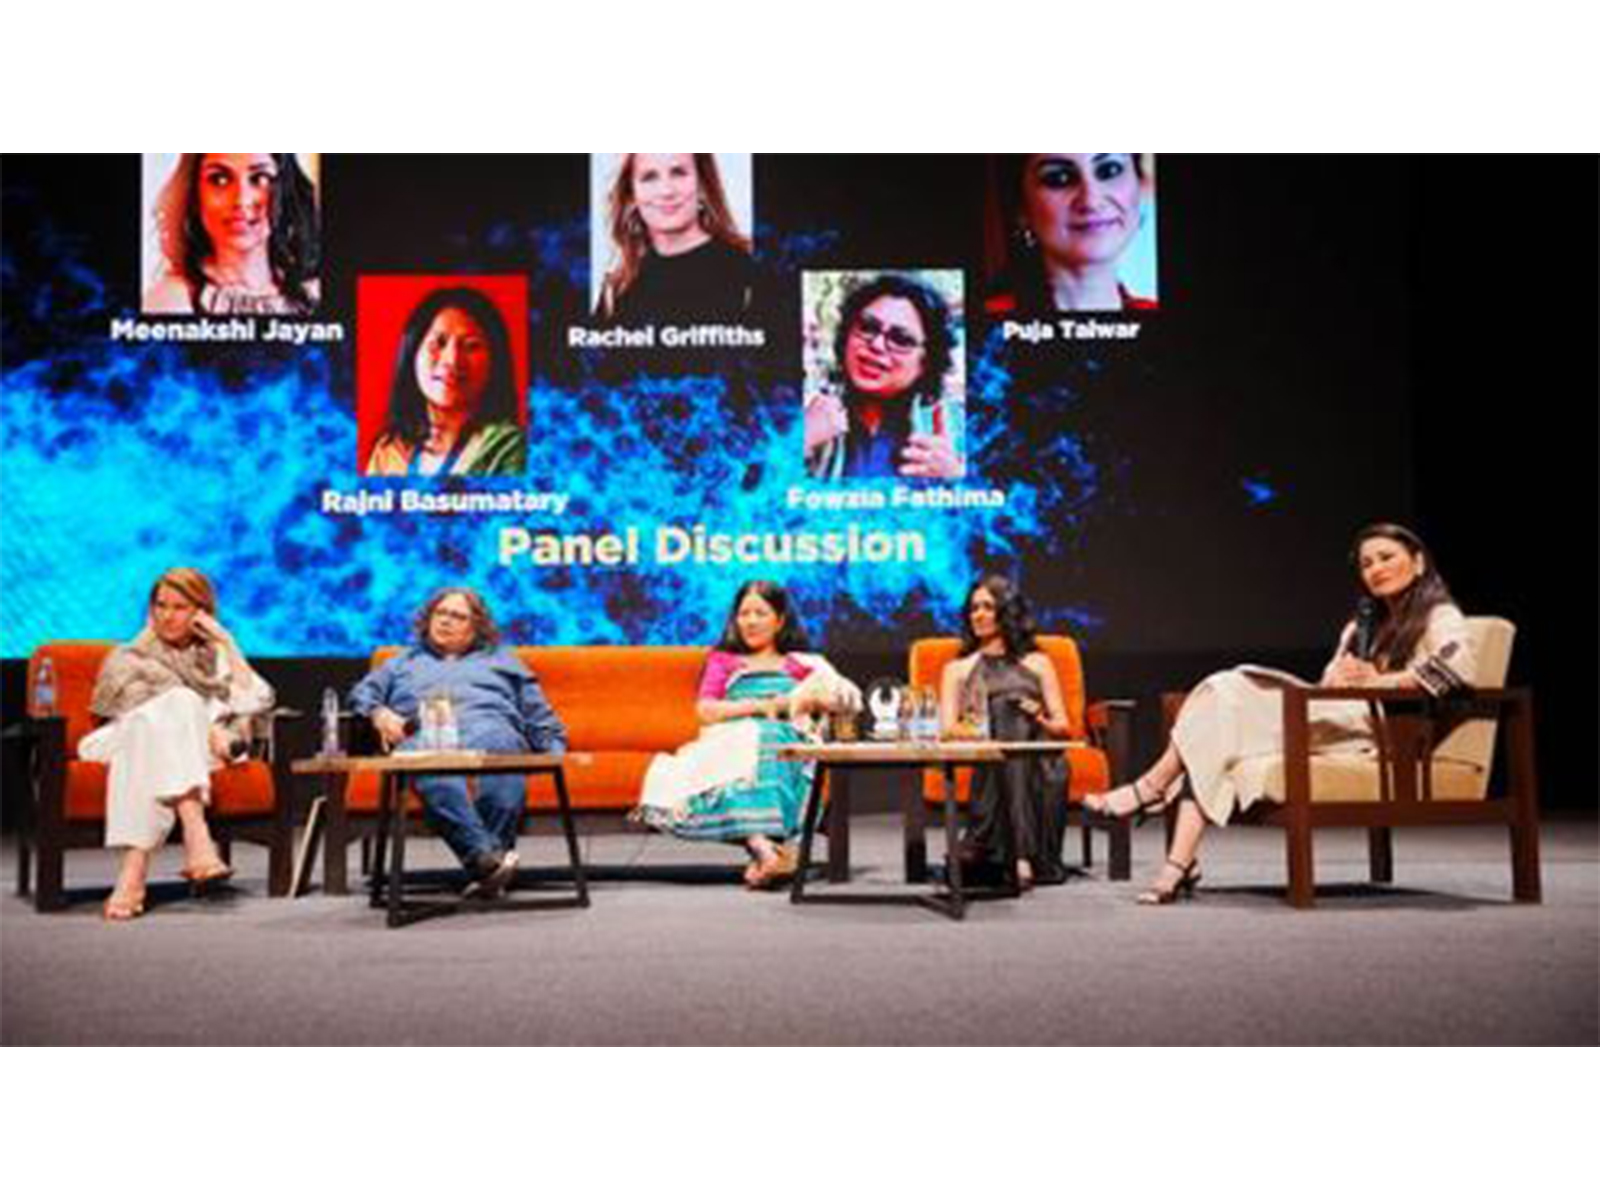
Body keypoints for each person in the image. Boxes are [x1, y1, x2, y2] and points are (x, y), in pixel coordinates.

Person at [1084, 523, 1476, 904]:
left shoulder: (1438, 615)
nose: (1376, 569)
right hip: (1334, 716)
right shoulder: (1361, 626)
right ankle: (1174, 863)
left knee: (1224, 706)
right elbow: (1328, 687)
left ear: (1419, 562)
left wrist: (1383, 680)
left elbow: (1457, 670)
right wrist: (1338, 676)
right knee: (1224, 690)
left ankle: (1149, 794)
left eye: (1386, 557)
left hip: (1384, 731)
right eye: (1367, 563)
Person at [80, 568, 275, 921]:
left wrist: (226, 642)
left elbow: (255, 700)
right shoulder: (130, 657)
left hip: (168, 753)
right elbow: (130, 711)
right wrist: (208, 729)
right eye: (160, 606)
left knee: (168, 726)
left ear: (201, 613)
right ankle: (196, 833)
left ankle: (133, 872)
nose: (167, 616)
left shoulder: (212, 656)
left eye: (180, 607)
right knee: (174, 707)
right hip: (120, 738)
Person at [349, 588, 565, 896]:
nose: (446, 621)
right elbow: (361, 695)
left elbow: (540, 718)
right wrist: (378, 712)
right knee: (423, 756)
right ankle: (488, 862)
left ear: (476, 626)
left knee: (501, 746)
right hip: (428, 735)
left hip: (492, 729)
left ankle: (486, 865)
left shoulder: (503, 661)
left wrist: (553, 754)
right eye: (440, 613)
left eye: (457, 616)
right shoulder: (401, 662)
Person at [636, 580, 849, 890]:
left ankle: (766, 853)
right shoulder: (723, 661)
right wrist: (761, 706)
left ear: (780, 620)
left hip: (787, 738)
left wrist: (808, 701)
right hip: (731, 739)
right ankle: (766, 850)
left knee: (774, 739)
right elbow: (706, 711)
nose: (750, 621)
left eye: (760, 613)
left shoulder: (801, 664)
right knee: (757, 738)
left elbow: (836, 698)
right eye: (743, 613)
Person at [939, 575, 1073, 889]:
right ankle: (1021, 856)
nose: (979, 615)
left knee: (1014, 717)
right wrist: (981, 727)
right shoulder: (958, 670)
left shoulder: (1038, 663)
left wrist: (1037, 714)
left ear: (1006, 612)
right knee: (1002, 710)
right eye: (974, 609)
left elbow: (1063, 727)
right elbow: (947, 729)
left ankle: (1013, 855)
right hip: (991, 757)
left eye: (988, 607)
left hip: (1042, 761)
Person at [804, 274, 965, 481]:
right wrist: (801, 442)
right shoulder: (804, 416)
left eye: (900, 339)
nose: (877, 345)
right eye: (867, 328)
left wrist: (957, 479)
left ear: (927, 361)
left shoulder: (960, 427)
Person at [364, 287, 527, 477]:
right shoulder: (389, 450)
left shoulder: (509, 449)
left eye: (471, 346)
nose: (452, 359)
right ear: (412, 353)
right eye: (438, 343)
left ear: (495, 361)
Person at [143, 153, 321, 315]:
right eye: (219, 179)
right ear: (194, 194)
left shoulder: (314, 293)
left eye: (259, 178)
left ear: (286, 191)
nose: (241, 200)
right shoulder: (170, 302)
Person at [594, 153, 758, 325]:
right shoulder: (616, 291)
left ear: (702, 184)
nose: (666, 191)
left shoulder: (750, 271)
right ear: (632, 195)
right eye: (649, 177)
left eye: (678, 173)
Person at [985, 153, 1157, 315]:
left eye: (1109, 170)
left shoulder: (1163, 321)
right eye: (1060, 178)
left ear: (1140, 185)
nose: (1091, 201)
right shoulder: (986, 320)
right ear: (1022, 209)